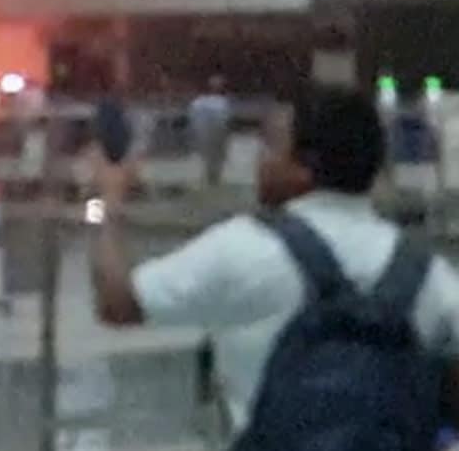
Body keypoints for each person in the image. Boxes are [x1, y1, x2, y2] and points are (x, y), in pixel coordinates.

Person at [91, 86, 459, 446]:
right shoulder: (429, 273)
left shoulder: (243, 247)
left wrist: (103, 204)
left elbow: (116, 302)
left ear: (305, 167)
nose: (259, 162)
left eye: (270, 147)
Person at [189, 75, 231, 186]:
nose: (218, 87)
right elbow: (194, 118)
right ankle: (211, 177)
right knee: (210, 156)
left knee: (216, 157)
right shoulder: (200, 102)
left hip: (216, 133)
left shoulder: (223, 102)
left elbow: (226, 120)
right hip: (207, 133)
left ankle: (214, 177)